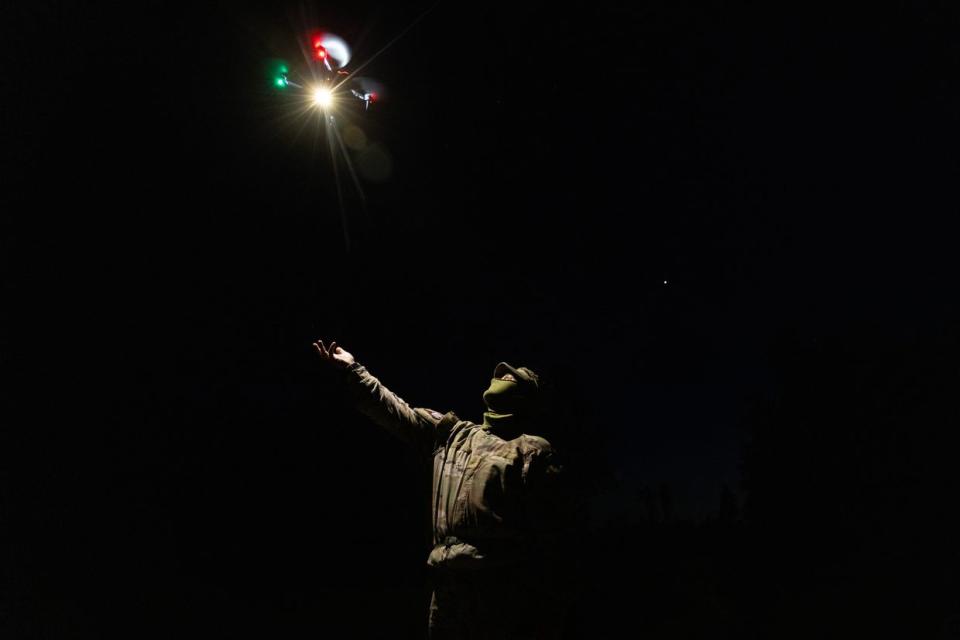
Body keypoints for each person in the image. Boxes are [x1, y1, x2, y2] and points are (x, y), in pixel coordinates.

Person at [312, 339, 570, 639]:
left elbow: (552, 534)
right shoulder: (454, 434)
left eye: (516, 378)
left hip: (496, 594)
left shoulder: (532, 450)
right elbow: (398, 412)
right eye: (502, 375)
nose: (505, 377)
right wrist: (355, 370)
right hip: (446, 593)